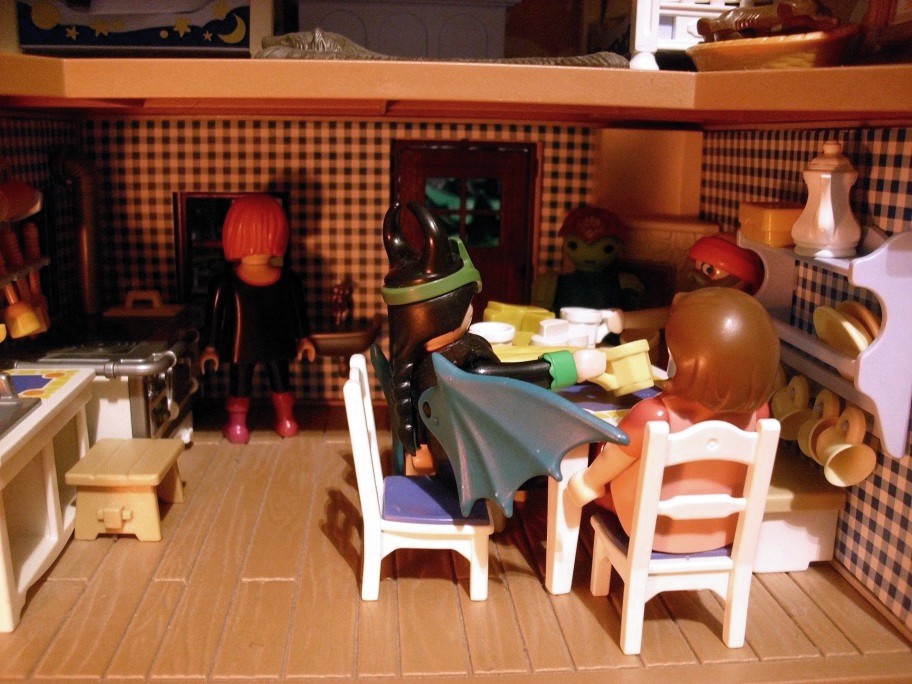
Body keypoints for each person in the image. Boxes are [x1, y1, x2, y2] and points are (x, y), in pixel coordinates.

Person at [382, 201, 607, 475]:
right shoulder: (462, 373)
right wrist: (572, 366)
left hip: (449, 458)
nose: (472, 308)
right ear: (447, 312)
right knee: (558, 440)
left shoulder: (421, 365)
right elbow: (516, 379)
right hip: (472, 465)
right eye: (468, 301)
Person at [568, 287, 780, 553]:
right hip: (721, 531)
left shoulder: (655, 415)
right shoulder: (760, 414)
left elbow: (608, 463)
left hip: (650, 529)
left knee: (601, 454)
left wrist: (587, 483)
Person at [200, 194, 316, 444]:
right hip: (275, 343)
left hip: (243, 345)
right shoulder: (288, 280)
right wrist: (303, 338)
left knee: (242, 382)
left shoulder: (225, 282)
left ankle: (239, 426)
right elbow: (298, 313)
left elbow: (214, 319)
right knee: (278, 380)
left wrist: (210, 347)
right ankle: (285, 421)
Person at [531, 204, 643, 316]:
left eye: (606, 248)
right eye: (574, 245)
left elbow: (632, 318)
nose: (590, 253)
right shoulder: (550, 283)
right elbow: (540, 316)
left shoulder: (625, 283)